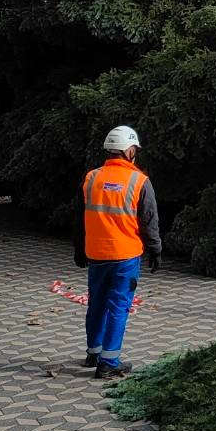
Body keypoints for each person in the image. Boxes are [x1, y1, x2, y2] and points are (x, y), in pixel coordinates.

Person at [73, 125, 161, 378]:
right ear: (130, 150)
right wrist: (155, 250)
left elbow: (80, 218)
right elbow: (149, 220)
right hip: (125, 256)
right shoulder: (139, 181)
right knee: (118, 307)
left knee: (97, 303)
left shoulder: (91, 178)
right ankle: (109, 363)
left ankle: (94, 352)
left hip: (96, 254)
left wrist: (79, 249)